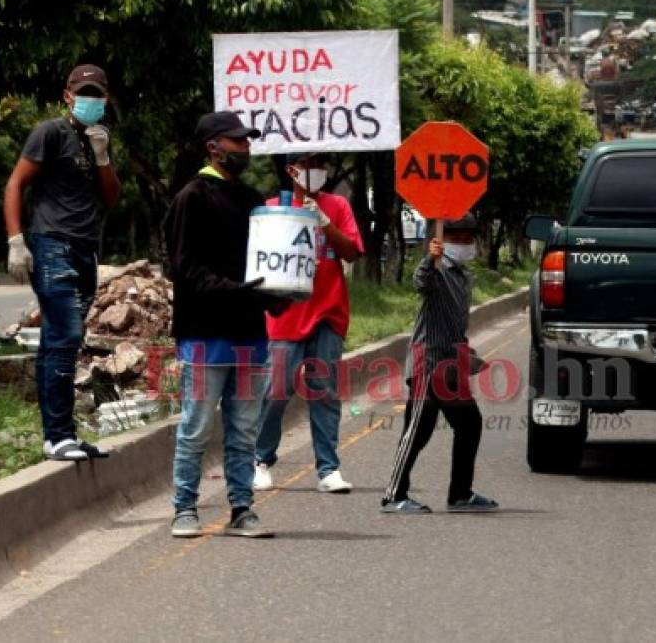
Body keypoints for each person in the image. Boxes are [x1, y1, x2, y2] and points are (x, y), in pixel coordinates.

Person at [165, 111, 286, 538]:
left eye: (248, 142)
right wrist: (239, 290)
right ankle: (184, 509)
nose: (246, 149)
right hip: (203, 335)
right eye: (238, 142)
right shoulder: (191, 198)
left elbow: (268, 264)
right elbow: (184, 269)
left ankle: (242, 509)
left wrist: (279, 295)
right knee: (196, 426)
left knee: (244, 430)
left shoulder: (253, 200)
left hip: (250, 335)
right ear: (213, 147)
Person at [3, 63, 120, 461]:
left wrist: (103, 156)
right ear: (67, 96)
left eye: (96, 94)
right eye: (82, 93)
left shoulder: (100, 139)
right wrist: (16, 239)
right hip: (52, 243)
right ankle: (55, 436)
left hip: (87, 248)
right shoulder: (49, 132)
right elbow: (16, 182)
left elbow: (111, 198)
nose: (89, 100)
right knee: (64, 335)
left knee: (65, 341)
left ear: (106, 99)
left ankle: (64, 433)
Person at [253, 152, 364, 494]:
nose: (318, 172)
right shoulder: (272, 208)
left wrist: (326, 225)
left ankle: (329, 468)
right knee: (276, 390)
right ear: (292, 170)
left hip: (328, 313)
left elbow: (352, 252)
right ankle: (260, 459)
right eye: (309, 165)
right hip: (286, 315)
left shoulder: (339, 207)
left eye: (321, 165)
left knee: (324, 391)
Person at [381, 213, 498, 514]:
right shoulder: (438, 271)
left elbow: (454, 324)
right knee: (417, 430)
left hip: (451, 366)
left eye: (467, 237)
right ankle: (394, 496)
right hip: (427, 364)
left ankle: (460, 494)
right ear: (443, 240)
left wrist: (467, 357)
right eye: (455, 237)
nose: (463, 242)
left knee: (470, 424)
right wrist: (428, 259)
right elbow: (421, 282)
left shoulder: (462, 276)